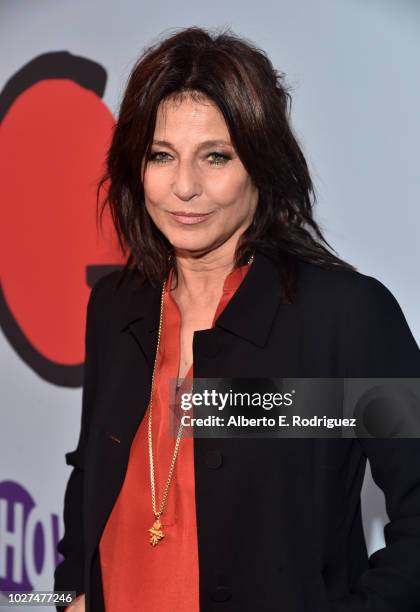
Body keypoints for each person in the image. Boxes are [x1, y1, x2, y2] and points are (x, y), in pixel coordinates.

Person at [54, 25, 420, 612]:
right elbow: (90, 477)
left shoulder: (344, 318)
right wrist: (70, 590)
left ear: (263, 166)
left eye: (216, 157)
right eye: (161, 156)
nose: (184, 187)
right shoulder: (116, 306)